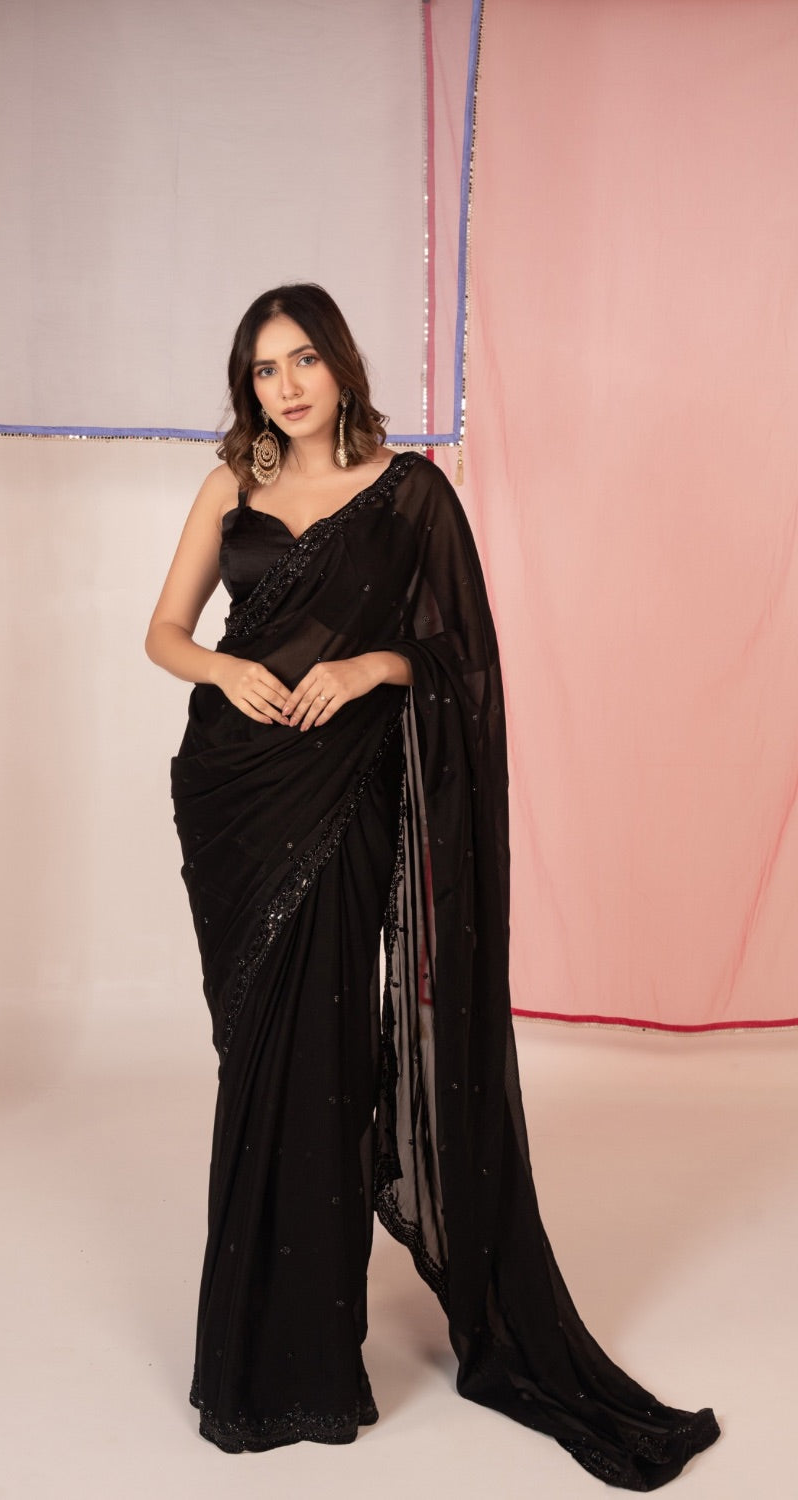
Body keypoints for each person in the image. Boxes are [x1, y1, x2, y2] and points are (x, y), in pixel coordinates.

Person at [145, 284, 719, 1486]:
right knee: (257, 1060)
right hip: (235, 794)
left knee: (328, 1047)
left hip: (343, 792)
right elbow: (164, 633)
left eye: (304, 360)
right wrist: (222, 673)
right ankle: (247, 1356)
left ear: (342, 366)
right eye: (264, 369)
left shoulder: (410, 493)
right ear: (247, 387)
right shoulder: (230, 485)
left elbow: (462, 656)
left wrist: (367, 668)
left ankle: (308, 1363)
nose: (286, 386)